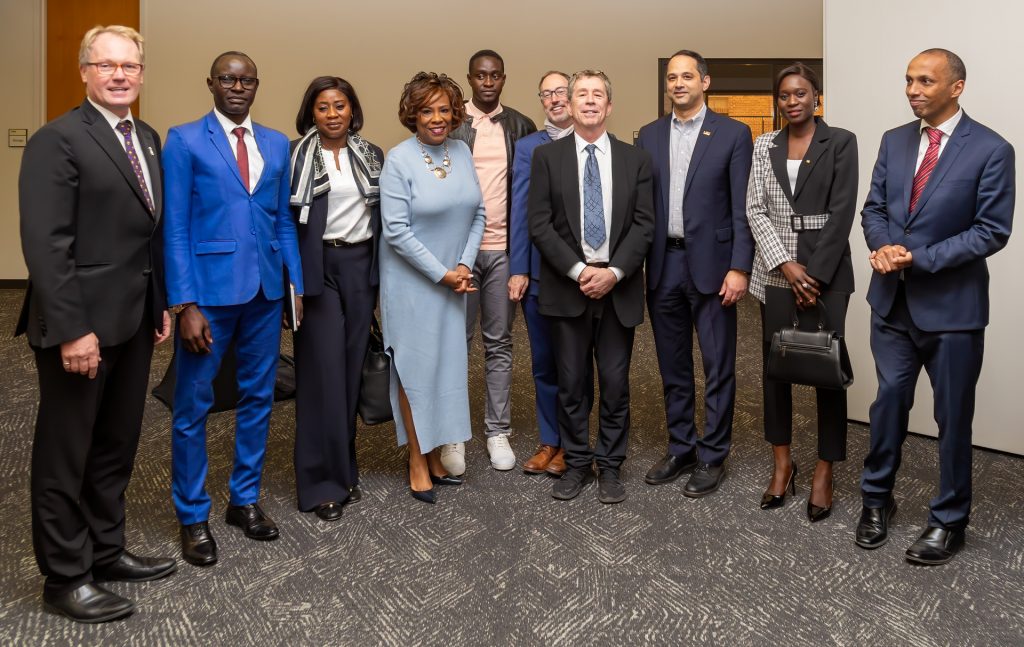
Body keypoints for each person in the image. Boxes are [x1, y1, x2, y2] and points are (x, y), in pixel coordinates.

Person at [17, 25, 175, 623]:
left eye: (129, 66)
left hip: (133, 320)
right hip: (79, 328)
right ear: (84, 71)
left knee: (115, 444)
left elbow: (145, 231)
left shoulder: (148, 137)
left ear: (140, 73)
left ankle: (106, 552)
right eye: (106, 64)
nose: (119, 75)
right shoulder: (56, 140)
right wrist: (72, 329)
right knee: (67, 451)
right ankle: (65, 576)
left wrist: (158, 301)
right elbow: (47, 244)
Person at [856, 49, 1014, 564]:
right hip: (893, 309)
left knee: (952, 420)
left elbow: (991, 231)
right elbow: (874, 208)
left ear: (957, 87)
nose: (913, 90)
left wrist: (914, 258)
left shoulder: (992, 149)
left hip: (953, 313)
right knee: (888, 408)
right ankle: (876, 500)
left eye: (926, 81)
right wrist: (880, 247)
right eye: (908, 80)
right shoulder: (894, 140)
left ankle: (949, 521)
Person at [163, 51, 303, 566]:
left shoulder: (274, 142)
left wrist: (295, 289)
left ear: (256, 84)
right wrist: (184, 304)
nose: (236, 86)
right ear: (211, 84)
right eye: (227, 79)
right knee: (191, 407)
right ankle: (193, 513)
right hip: (209, 297)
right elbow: (174, 227)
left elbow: (282, 222)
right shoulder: (184, 140)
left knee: (259, 398)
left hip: (266, 293)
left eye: (245, 80)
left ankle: (243, 499)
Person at [528, 70, 655, 504]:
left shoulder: (634, 159)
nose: (588, 101)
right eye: (581, 94)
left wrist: (613, 272)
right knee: (570, 382)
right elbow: (539, 226)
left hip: (617, 287)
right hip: (568, 287)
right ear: (569, 101)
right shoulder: (548, 158)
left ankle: (611, 465)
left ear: (609, 106)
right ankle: (578, 464)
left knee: (616, 383)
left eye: (597, 94)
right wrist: (580, 271)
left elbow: (644, 225)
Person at [636, 49, 754, 497]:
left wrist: (740, 266)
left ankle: (712, 454)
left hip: (714, 267)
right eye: (672, 77)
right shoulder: (647, 135)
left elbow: (742, 207)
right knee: (672, 366)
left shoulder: (733, 133)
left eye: (687, 76)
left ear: (705, 82)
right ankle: (681, 445)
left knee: (718, 364)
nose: (678, 83)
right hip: (663, 264)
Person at [745, 63, 858, 521]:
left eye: (801, 93)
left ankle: (824, 471)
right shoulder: (763, 144)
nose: (792, 101)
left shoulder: (841, 141)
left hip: (826, 274)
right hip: (775, 272)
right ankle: (782, 465)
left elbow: (843, 210)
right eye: (785, 95)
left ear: (817, 97)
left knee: (826, 370)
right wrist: (786, 266)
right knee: (778, 369)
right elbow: (755, 207)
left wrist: (813, 275)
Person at [379, 72, 486, 504]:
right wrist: (443, 273)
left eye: (445, 110)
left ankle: (437, 454)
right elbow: (396, 232)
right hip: (412, 282)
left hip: (453, 281)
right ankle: (417, 461)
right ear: (413, 114)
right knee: (413, 370)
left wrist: (463, 264)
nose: (437, 118)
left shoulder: (461, 151)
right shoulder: (399, 159)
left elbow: (478, 213)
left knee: (445, 368)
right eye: (427, 110)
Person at [289, 76, 383, 522]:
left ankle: (344, 469)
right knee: (322, 374)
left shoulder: (371, 155)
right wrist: (294, 285)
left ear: (352, 110)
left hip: (361, 268)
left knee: (349, 372)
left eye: (340, 105)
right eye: (323, 107)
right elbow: (284, 224)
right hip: (317, 269)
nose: (332, 114)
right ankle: (320, 482)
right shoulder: (295, 157)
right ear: (312, 113)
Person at [447, 50, 537, 474]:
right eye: (480, 75)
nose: (487, 82)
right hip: (458, 255)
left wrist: (523, 260)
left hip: (504, 251)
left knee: (499, 343)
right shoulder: (449, 121)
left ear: (503, 79)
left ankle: (497, 430)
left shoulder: (520, 126)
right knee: (456, 345)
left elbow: (531, 196)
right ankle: (454, 435)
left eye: (495, 75)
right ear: (469, 79)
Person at [510, 70, 575, 477]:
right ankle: (550, 441)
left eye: (561, 91)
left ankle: (574, 441)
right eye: (546, 94)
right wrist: (518, 268)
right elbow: (519, 209)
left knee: (577, 363)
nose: (554, 99)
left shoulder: (593, 142)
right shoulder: (527, 148)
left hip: (582, 275)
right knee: (544, 362)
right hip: (537, 272)